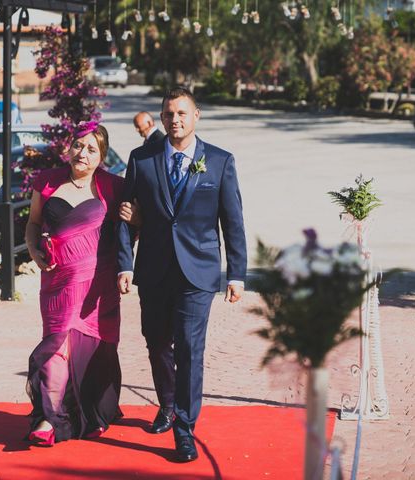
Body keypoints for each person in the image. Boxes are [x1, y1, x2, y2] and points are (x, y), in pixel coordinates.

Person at [117, 87, 247, 462]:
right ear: (161, 119)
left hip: (198, 272)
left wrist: (236, 273)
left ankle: (184, 429)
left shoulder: (220, 162)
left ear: (196, 116)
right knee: (156, 342)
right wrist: (125, 263)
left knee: (190, 350)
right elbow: (126, 215)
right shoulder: (141, 159)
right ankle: (168, 403)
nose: (175, 120)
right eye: (169, 114)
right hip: (154, 268)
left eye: (182, 113)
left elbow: (232, 220)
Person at [24, 122, 125, 447]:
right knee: (57, 346)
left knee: (92, 350)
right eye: (78, 146)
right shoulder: (47, 181)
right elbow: (33, 223)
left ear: (102, 156)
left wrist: (136, 222)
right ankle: (50, 416)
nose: (82, 153)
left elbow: (130, 230)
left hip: (96, 287)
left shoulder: (113, 187)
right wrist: (34, 253)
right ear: (69, 147)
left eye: (91, 149)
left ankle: (87, 413)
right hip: (57, 284)